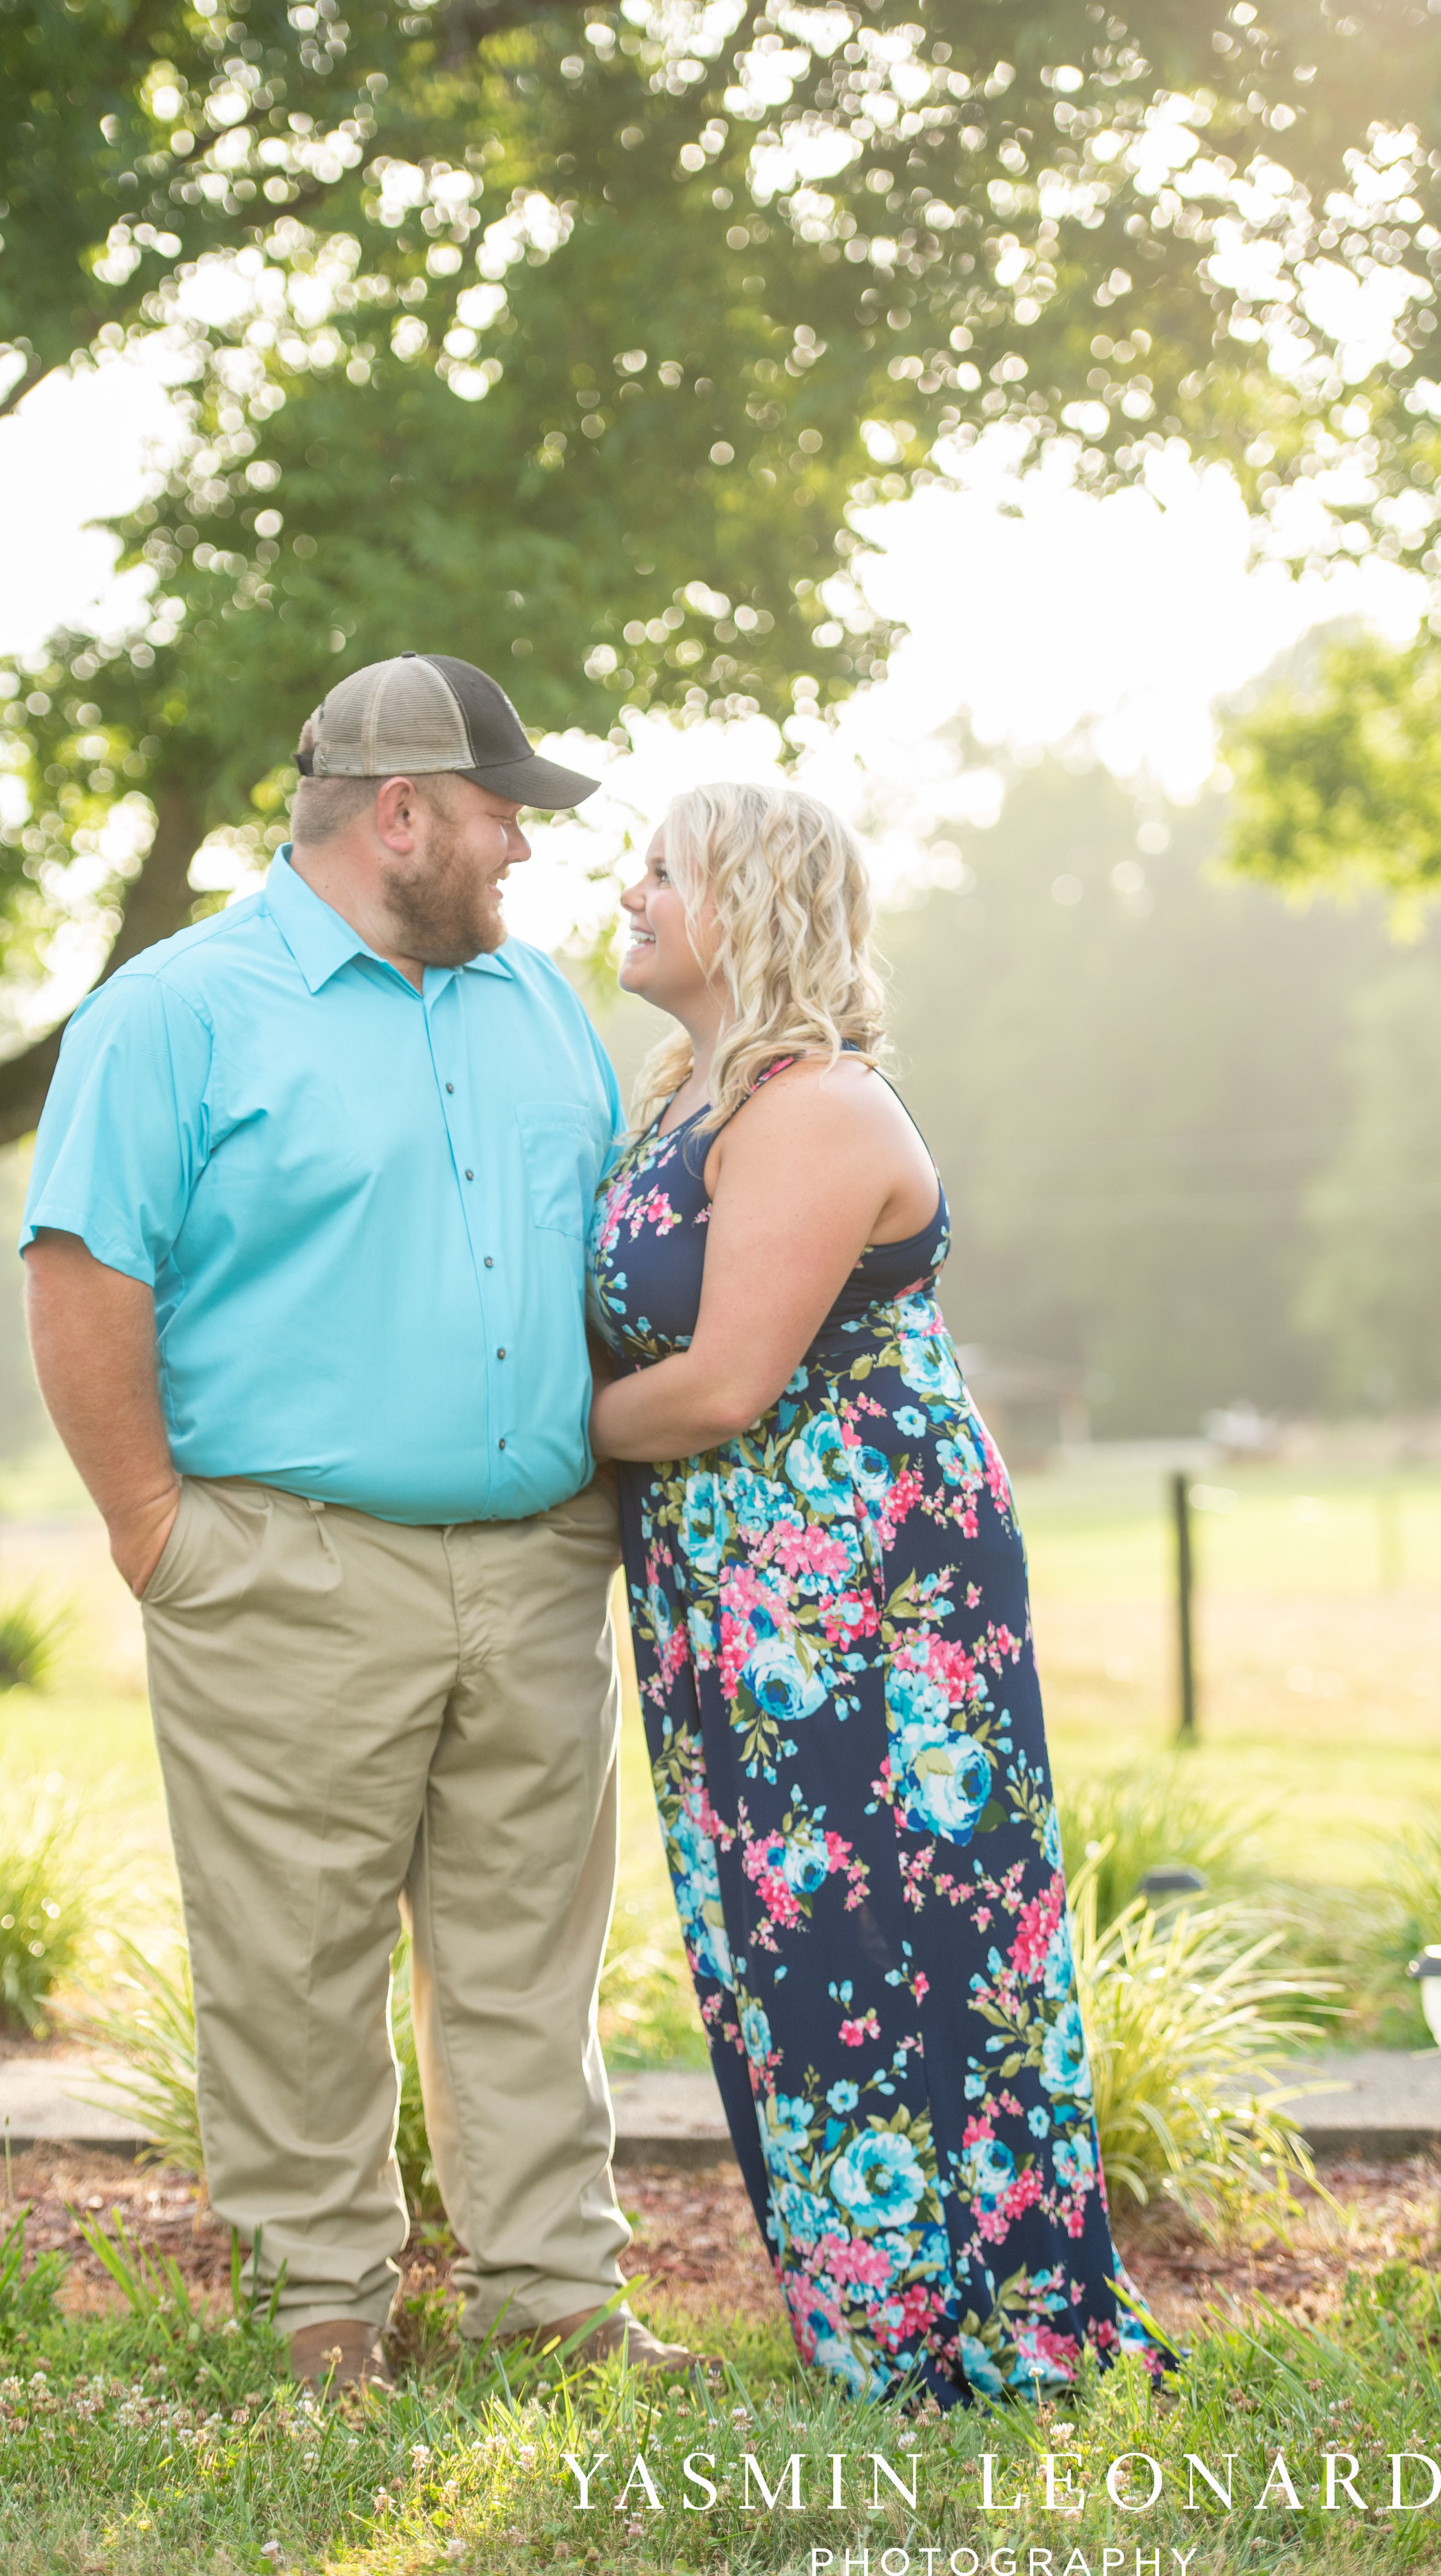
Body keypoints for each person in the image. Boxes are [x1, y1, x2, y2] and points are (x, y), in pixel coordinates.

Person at [21, 652, 693, 2389]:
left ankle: (555, 2303)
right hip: (284, 1567)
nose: (525, 857)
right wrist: (152, 1528)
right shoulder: (176, 1010)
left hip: (539, 1562)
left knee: (524, 1965)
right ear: (399, 814)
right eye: (498, 819)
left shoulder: (534, 1007)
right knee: (294, 1957)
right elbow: (85, 1269)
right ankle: (325, 2311)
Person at [585, 782, 1171, 2404]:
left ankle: (974, 2324)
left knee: (902, 1921)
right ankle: (869, 2308)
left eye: (661, 869)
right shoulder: (686, 1103)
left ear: (753, 903)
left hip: (865, 1585)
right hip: (738, 1589)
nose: (624, 890)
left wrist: (522, 1446)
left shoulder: (819, 1109)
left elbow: (717, 1386)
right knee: (776, 1927)